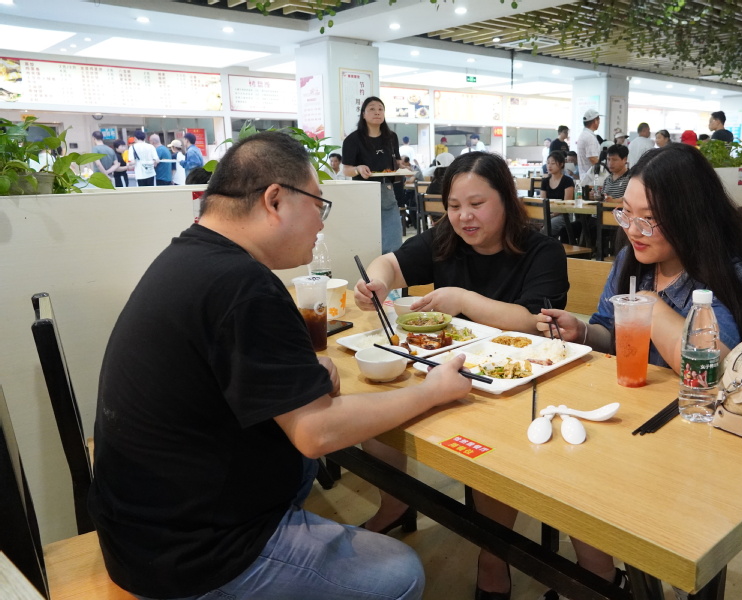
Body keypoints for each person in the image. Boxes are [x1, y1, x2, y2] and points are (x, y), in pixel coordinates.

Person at [88, 131, 473, 600]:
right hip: (192, 556)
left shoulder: (191, 256)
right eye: (318, 205)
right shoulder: (243, 285)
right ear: (274, 200)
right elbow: (317, 433)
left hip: (141, 530)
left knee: (302, 462)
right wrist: (432, 391)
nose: (320, 225)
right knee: (400, 574)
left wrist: (303, 383)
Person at [492, 144, 742, 600]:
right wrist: (582, 332)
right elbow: (611, 332)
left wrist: (650, 306)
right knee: (563, 461)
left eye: (649, 219)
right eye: (626, 214)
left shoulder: (731, 273)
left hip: (707, 439)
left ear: (691, 217)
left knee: (584, 474)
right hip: (637, 418)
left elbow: (713, 373)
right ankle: (603, 580)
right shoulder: (634, 259)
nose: (633, 229)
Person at [352, 151, 568, 541]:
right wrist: (378, 282)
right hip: (443, 373)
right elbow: (390, 263)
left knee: (491, 445)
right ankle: (395, 504)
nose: (464, 216)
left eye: (477, 204)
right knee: (372, 401)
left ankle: (494, 552)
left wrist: (463, 299)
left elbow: (535, 320)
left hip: (516, 383)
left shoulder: (542, 251)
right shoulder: (445, 239)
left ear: (506, 199)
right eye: (454, 206)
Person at [341, 95, 404, 254]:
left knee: (393, 242)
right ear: (363, 114)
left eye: (381, 109)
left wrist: (403, 167)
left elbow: (396, 162)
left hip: (387, 190)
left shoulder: (391, 137)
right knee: (367, 241)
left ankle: (390, 267)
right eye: (372, 109)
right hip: (362, 191)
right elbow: (346, 169)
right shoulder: (353, 139)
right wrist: (358, 169)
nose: (377, 112)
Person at [540, 150, 577, 242]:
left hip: (563, 215)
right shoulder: (545, 181)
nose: (549, 166)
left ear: (561, 164)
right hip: (547, 213)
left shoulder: (567, 181)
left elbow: (566, 204)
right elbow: (542, 202)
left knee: (546, 229)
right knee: (530, 226)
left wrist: (552, 215)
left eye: (553, 163)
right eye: (548, 163)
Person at [576, 109, 601, 187]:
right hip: (590, 181)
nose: (599, 122)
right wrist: (604, 170)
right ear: (595, 121)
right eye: (599, 120)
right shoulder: (589, 137)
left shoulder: (584, 135)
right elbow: (593, 158)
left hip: (586, 178)